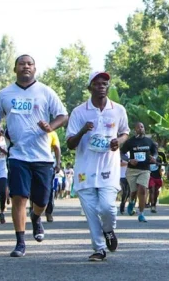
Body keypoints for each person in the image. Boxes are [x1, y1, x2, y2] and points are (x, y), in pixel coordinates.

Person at [0, 54, 68, 258]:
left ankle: (36, 217)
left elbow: (63, 115)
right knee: (19, 197)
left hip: (42, 156)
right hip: (17, 154)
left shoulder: (45, 91)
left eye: (30, 64)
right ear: (15, 68)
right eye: (22, 64)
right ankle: (20, 242)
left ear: (35, 68)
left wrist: (51, 126)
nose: (26, 66)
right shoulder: (5, 94)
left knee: (42, 200)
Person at [66, 71, 130, 261]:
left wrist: (119, 141)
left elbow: (125, 132)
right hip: (85, 170)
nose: (101, 86)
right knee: (92, 212)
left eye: (104, 84)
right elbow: (70, 143)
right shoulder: (79, 112)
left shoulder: (118, 110)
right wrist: (82, 131)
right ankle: (99, 249)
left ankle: (108, 230)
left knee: (108, 207)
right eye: (97, 84)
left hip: (109, 169)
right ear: (90, 87)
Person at [120, 122, 157, 222]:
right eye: (138, 127)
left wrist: (154, 157)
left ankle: (141, 214)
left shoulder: (149, 141)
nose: (140, 128)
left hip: (145, 169)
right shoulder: (130, 142)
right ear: (135, 129)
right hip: (132, 170)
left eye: (142, 127)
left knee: (142, 190)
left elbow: (155, 152)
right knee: (134, 191)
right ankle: (131, 202)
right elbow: (121, 153)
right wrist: (129, 160)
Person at [43, 130, 62, 222]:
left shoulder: (52, 133)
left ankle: (49, 212)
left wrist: (58, 164)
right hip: (32, 163)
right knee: (34, 188)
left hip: (48, 164)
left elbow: (57, 148)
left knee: (49, 189)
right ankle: (34, 210)